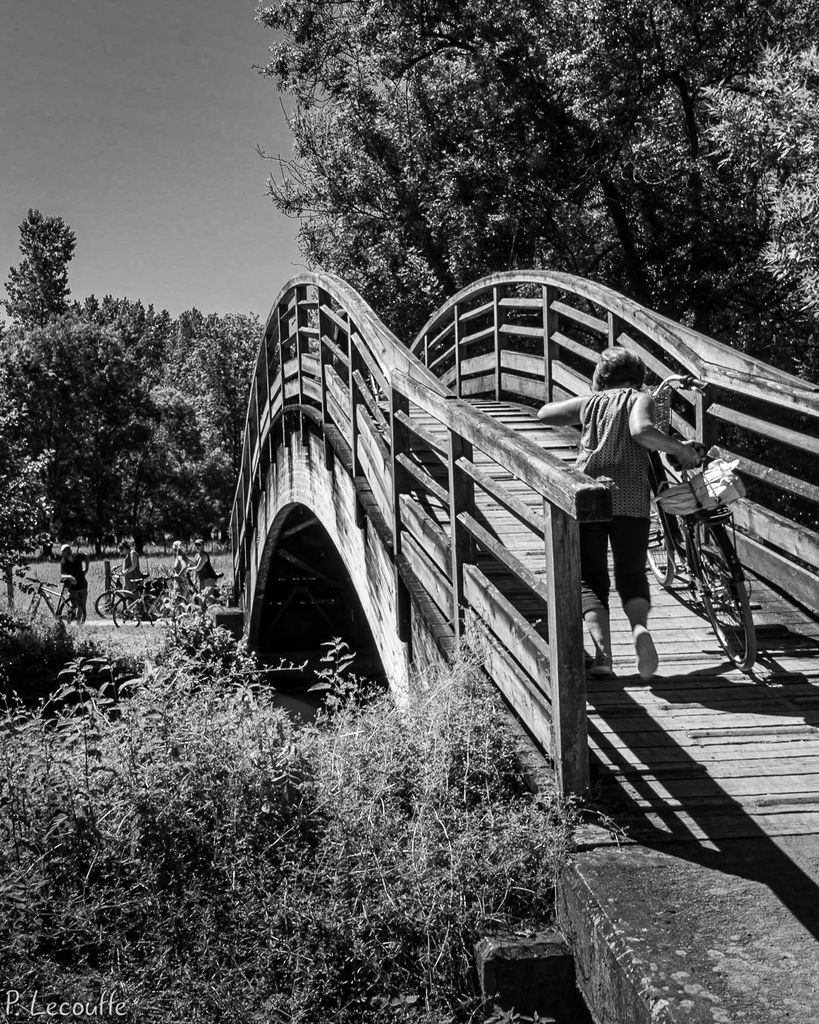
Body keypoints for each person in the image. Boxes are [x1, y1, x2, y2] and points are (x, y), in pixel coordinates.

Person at [536, 348, 699, 679]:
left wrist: (587, 407)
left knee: (591, 579)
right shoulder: (640, 399)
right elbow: (641, 431)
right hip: (631, 499)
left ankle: (603, 656)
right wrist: (680, 449)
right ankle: (640, 630)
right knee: (631, 574)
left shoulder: (591, 403)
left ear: (601, 377)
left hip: (588, 498)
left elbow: (544, 414)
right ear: (638, 378)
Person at [59, 542, 89, 624]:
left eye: (67, 550)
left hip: (83, 585)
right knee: (73, 607)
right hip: (73, 588)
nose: (64, 553)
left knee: (82, 606)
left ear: (69, 551)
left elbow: (86, 556)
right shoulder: (64, 562)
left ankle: (79, 624)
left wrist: (86, 568)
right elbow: (62, 575)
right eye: (64, 551)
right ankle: (69, 622)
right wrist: (70, 577)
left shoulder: (78, 556)